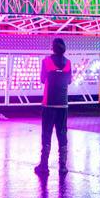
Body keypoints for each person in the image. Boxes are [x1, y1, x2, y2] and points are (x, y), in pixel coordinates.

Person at [34, 37, 72, 177]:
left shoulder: (46, 61)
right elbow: (69, 81)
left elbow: (43, 79)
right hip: (63, 104)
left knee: (47, 132)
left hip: (49, 103)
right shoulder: (68, 63)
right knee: (62, 133)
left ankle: (44, 165)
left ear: (53, 48)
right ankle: (63, 166)